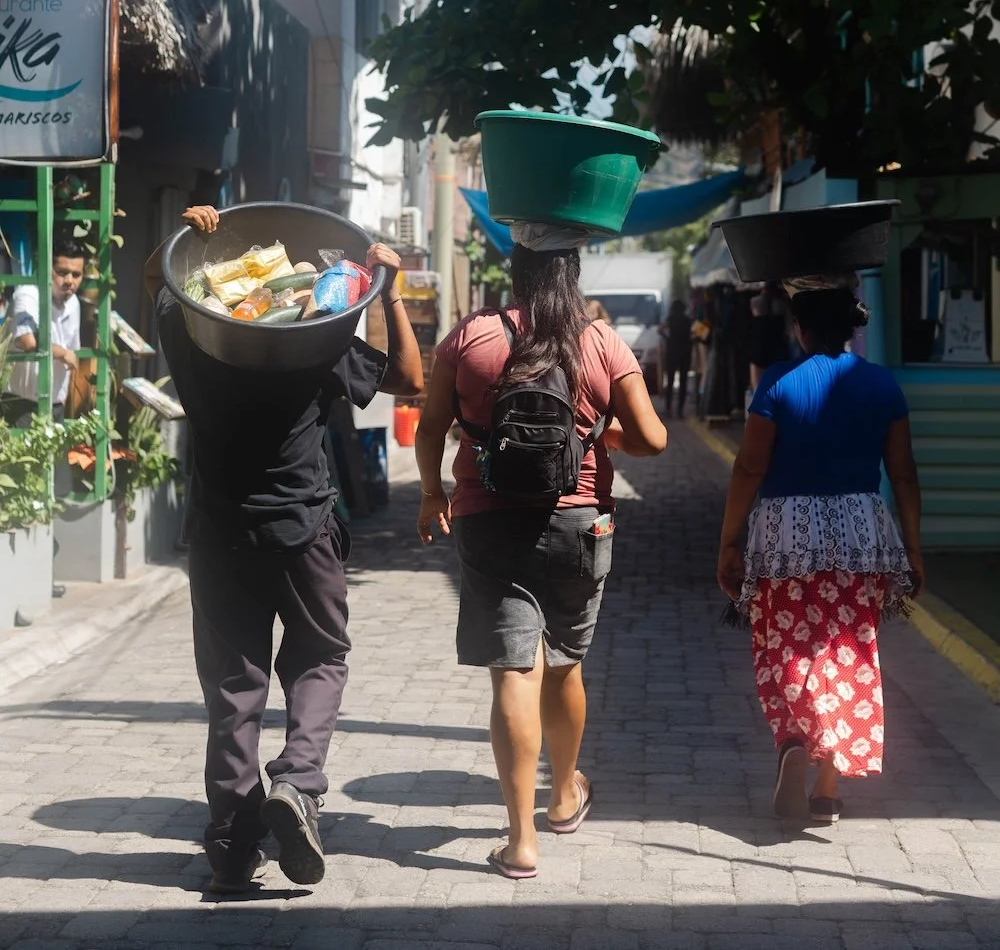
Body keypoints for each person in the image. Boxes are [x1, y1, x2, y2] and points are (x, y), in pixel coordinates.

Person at [145, 205, 423, 893]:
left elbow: (164, 282)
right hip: (305, 531)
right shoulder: (314, 346)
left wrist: (184, 241)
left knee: (234, 685)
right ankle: (297, 785)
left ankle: (233, 846)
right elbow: (411, 378)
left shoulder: (190, 343)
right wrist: (387, 291)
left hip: (218, 534)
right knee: (321, 657)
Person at [414, 239, 667, 879]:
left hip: (487, 515)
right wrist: (598, 430)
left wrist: (430, 492)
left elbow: (430, 423)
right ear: (573, 276)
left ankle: (521, 840)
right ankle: (563, 798)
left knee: (512, 674)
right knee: (564, 666)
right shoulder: (601, 340)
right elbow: (653, 439)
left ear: (515, 275)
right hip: (581, 518)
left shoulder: (472, 336)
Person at [717, 281, 923, 826]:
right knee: (847, 648)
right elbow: (902, 473)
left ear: (800, 328)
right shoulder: (881, 385)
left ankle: (793, 740)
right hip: (860, 532)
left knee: (786, 645)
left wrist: (729, 541)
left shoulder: (779, 383)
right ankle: (827, 788)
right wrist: (914, 552)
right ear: (853, 327)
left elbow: (750, 467)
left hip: (786, 533)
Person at [8, 231, 84, 421]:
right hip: (19, 404)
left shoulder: (74, 304)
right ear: (48, 268)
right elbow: (27, 341)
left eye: (76, 275)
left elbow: (73, 351)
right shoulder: (28, 295)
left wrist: (63, 399)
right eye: (62, 272)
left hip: (55, 405)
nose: (69, 281)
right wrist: (62, 353)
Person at [660, 298, 692, 418]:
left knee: (670, 381)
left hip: (672, 351)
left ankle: (668, 409)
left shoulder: (670, 319)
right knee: (683, 381)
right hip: (685, 352)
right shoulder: (688, 320)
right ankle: (680, 410)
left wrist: (668, 338)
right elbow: (694, 333)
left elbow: (660, 330)